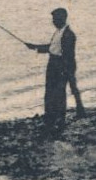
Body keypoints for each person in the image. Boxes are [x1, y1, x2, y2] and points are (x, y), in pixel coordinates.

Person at [28, 8, 76, 137]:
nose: (53, 21)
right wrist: (35, 47)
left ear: (63, 18)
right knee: (49, 92)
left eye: (55, 19)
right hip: (53, 64)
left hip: (60, 66)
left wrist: (66, 72)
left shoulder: (68, 35)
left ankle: (59, 120)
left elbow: (68, 57)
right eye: (53, 19)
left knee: (59, 93)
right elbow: (51, 48)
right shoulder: (58, 32)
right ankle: (50, 118)